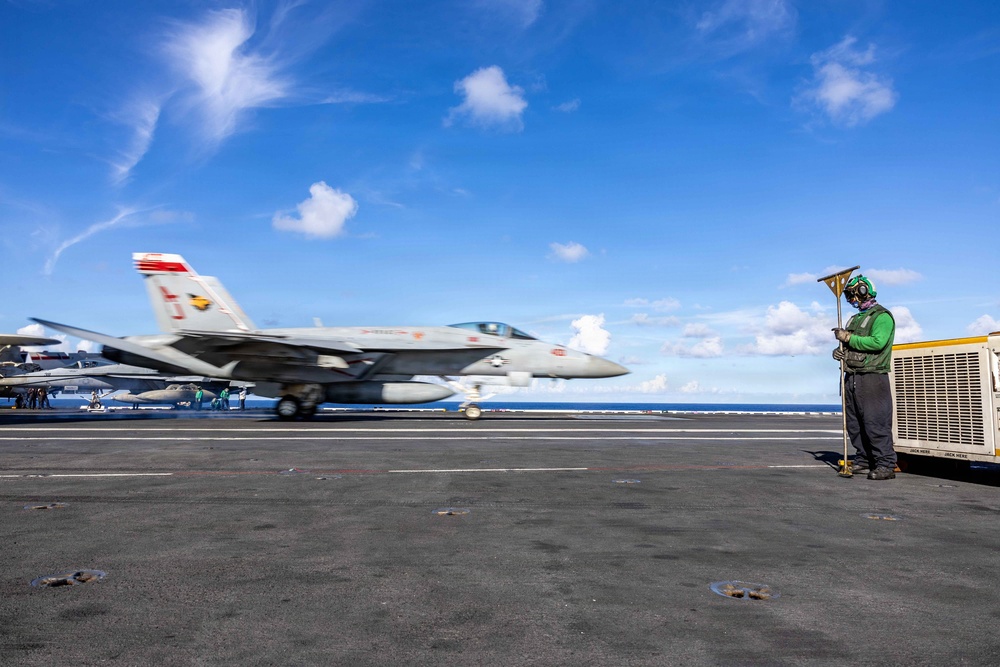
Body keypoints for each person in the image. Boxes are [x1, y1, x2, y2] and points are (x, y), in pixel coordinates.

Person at [833, 275, 897, 480]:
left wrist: (849, 337)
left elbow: (877, 343)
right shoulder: (855, 319)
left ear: (863, 291)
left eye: (853, 294)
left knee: (875, 421)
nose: (851, 299)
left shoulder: (882, 316)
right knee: (855, 423)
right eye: (848, 296)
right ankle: (864, 459)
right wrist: (839, 351)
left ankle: (885, 464)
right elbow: (850, 344)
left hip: (872, 376)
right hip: (852, 375)